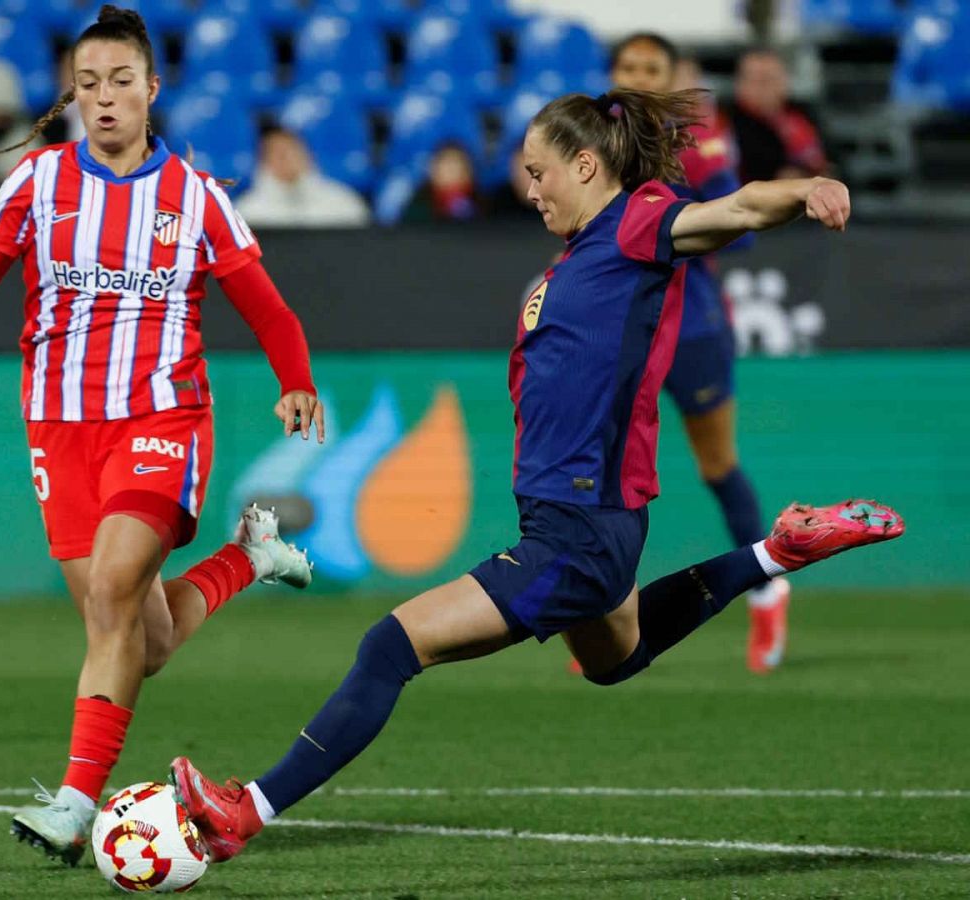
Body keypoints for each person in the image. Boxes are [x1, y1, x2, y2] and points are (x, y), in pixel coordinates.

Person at [168, 87, 903, 861]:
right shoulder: (584, 254)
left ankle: (241, 813)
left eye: (537, 171)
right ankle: (776, 552)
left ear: (585, 165)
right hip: (588, 524)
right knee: (613, 659)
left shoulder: (638, 225)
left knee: (392, 646)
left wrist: (807, 190)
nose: (528, 189)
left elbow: (741, 208)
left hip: (579, 527)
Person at [0, 5, 325, 865]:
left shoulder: (195, 199)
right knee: (145, 638)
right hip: (59, 429)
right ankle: (250, 556)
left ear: (151, 89)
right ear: (73, 94)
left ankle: (73, 801)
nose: (104, 99)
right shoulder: (35, 184)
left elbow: (268, 305)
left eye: (121, 82)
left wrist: (296, 382)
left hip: (162, 416)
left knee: (113, 593)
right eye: (88, 84)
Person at [604, 32, 791, 672]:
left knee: (717, 465)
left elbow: (736, 230)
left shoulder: (695, 140)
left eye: (650, 66)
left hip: (692, 327)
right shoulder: (592, 143)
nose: (638, 75)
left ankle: (769, 594)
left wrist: (669, 219)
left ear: (671, 74)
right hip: (622, 327)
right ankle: (607, 618)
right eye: (628, 65)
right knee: (610, 467)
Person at [723, 48, 828, 183]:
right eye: (757, 80)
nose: (764, 88)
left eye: (770, 79)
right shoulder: (727, 122)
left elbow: (833, 159)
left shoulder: (803, 113)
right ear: (739, 84)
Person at [236, 128, 370, 229]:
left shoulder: (343, 204)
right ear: (263, 161)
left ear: (307, 155)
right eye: (278, 154)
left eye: (293, 151)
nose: (287, 159)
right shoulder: (247, 213)